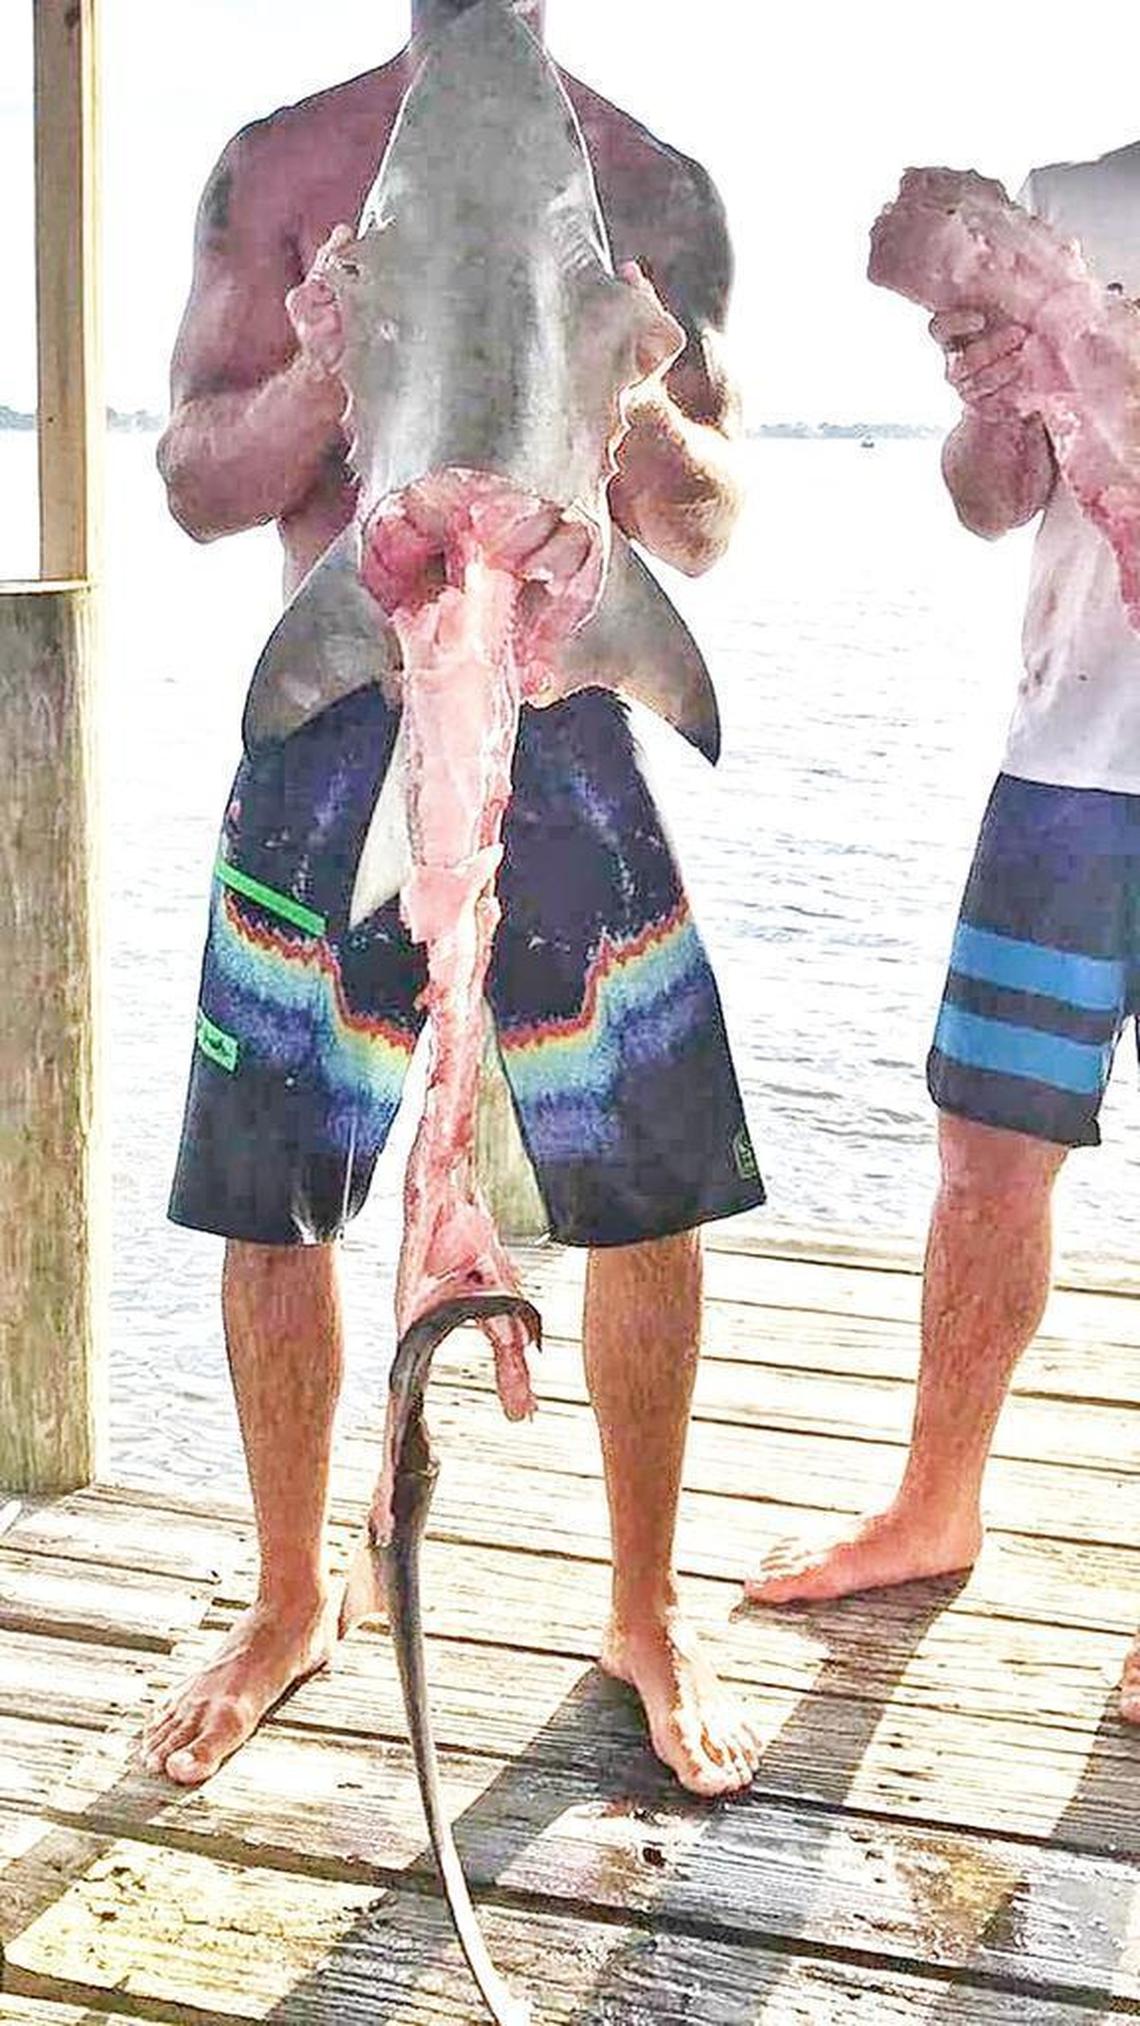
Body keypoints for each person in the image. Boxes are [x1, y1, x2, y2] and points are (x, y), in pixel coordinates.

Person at [142, 0, 766, 1797]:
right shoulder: (276, 167)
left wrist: (626, 391)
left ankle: (642, 1603)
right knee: (272, 1191)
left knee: (649, 1191)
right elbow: (195, 481)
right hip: (332, 705)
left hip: (567, 718)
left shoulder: (657, 181)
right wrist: (336, 366)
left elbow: (709, 521)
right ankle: (287, 1597)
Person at [747, 141, 1140, 1725]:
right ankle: (933, 1503)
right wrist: (997, 388)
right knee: (985, 1146)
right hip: (1068, 771)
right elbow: (990, 507)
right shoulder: (1073, 200)